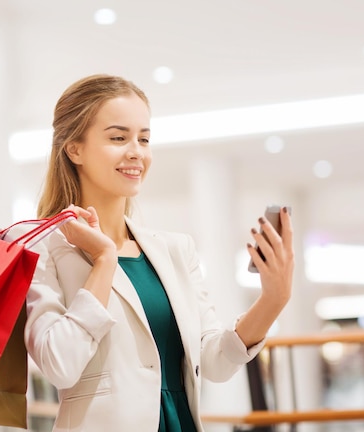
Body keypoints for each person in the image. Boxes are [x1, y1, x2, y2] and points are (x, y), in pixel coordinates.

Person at [17, 74, 294, 431]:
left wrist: (273, 300)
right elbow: (60, 364)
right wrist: (104, 261)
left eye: (144, 139)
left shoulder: (176, 250)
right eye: (118, 137)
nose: (136, 151)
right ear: (75, 149)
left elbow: (215, 363)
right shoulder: (42, 247)